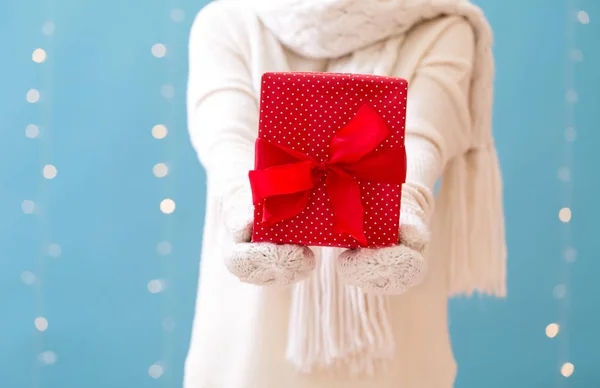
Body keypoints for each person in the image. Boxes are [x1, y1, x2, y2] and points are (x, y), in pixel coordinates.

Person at [185, 0, 507, 387]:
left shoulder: (444, 25)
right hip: (253, 318)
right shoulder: (227, 21)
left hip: (392, 315)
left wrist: (403, 215)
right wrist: (247, 213)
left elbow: (422, 139)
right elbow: (226, 141)